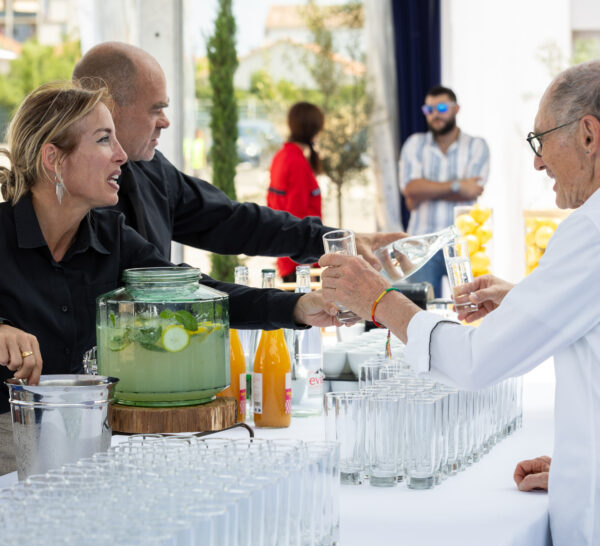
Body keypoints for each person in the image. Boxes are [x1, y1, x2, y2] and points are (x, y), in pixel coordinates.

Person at [321, 61, 600, 546]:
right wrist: (581, 466)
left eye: (540, 140)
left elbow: (474, 363)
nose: (538, 163)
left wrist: (378, 300)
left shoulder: (589, 231)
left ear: (588, 135)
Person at [0, 81, 341, 471]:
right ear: (53, 158)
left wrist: (298, 306)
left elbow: (194, 293)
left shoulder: (111, 235)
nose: (122, 156)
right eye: (103, 140)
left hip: (86, 443)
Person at [72, 42, 403, 268]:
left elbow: (233, 221)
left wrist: (332, 240)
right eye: (156, 109)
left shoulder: (152, 170)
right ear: (108, 107)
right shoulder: (58, 193)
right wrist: (295, 307)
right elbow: (160, 284)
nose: (166, 121)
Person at [399, 85, 490, 297]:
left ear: (456, 108)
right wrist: (457, 185)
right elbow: (410, 190)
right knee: (420, 311)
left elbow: (472, 191)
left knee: (470, 306)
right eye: (429, 110)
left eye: (441, 107)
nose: (435, 114)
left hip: (464, 245)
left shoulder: (476, 145)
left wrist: (425, 189)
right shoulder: (413, 145)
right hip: (419, 246)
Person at [267, 102, 324, 282]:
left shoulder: (282, 157)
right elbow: (297, 215)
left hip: (289, 256)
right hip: (300, 262)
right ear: (315, 129)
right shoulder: (297, 163)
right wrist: (306, 269)